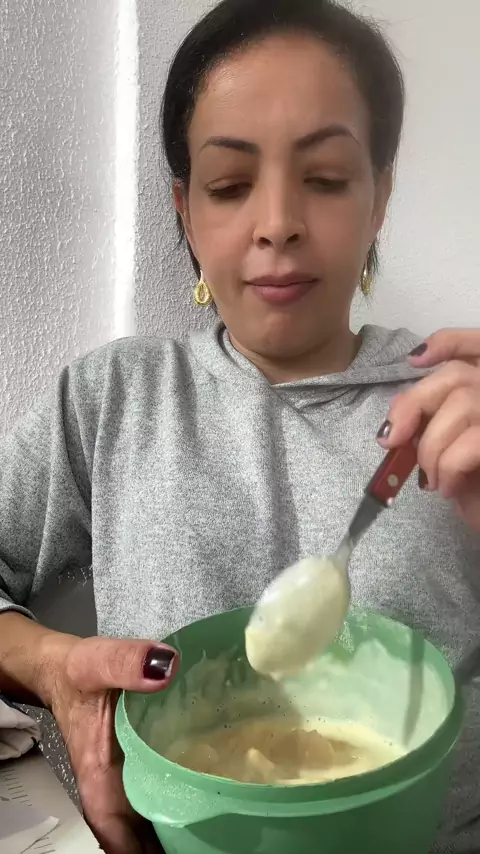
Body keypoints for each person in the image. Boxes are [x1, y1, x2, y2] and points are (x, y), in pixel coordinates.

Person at [1, 0, 480, 851]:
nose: (278, 223)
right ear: (186, 211)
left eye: (326, 178)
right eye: (229, 186)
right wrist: (51, 668)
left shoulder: (457, 406)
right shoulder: (112, 399)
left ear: (380, 197)